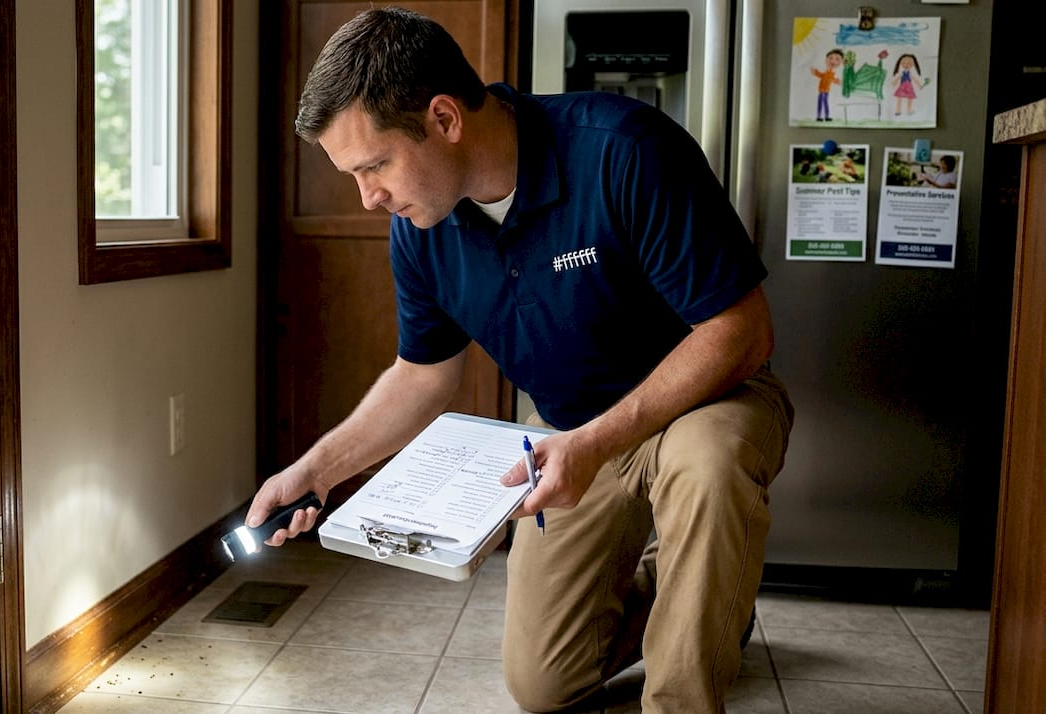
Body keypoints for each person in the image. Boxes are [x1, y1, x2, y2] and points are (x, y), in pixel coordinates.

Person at [245, 8, 794, 713]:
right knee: (545, 684)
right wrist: (313, 472)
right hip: (569, 428)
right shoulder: (423, 227)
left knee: (708, 464)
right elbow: (423, 375)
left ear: (445, 119)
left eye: (375, 164)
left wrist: (597, 442)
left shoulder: (624, 149)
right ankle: (699, 598)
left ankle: (685, 684)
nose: (369, 196)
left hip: (706, 400)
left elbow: (741, 330)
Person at [810, 49, 844, 121]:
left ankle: (826, 116)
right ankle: (819, 116)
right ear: (826, 60)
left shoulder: (831, 73)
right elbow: (822, 75)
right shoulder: (827, 72)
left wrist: (838, 81)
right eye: (831, 58)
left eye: (837, 59)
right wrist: (815, 72)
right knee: (821, 103)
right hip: (822, 90)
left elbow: (831, 79)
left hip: (826, 91)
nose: (833, 61)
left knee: (825, 103)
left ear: (840, 62)